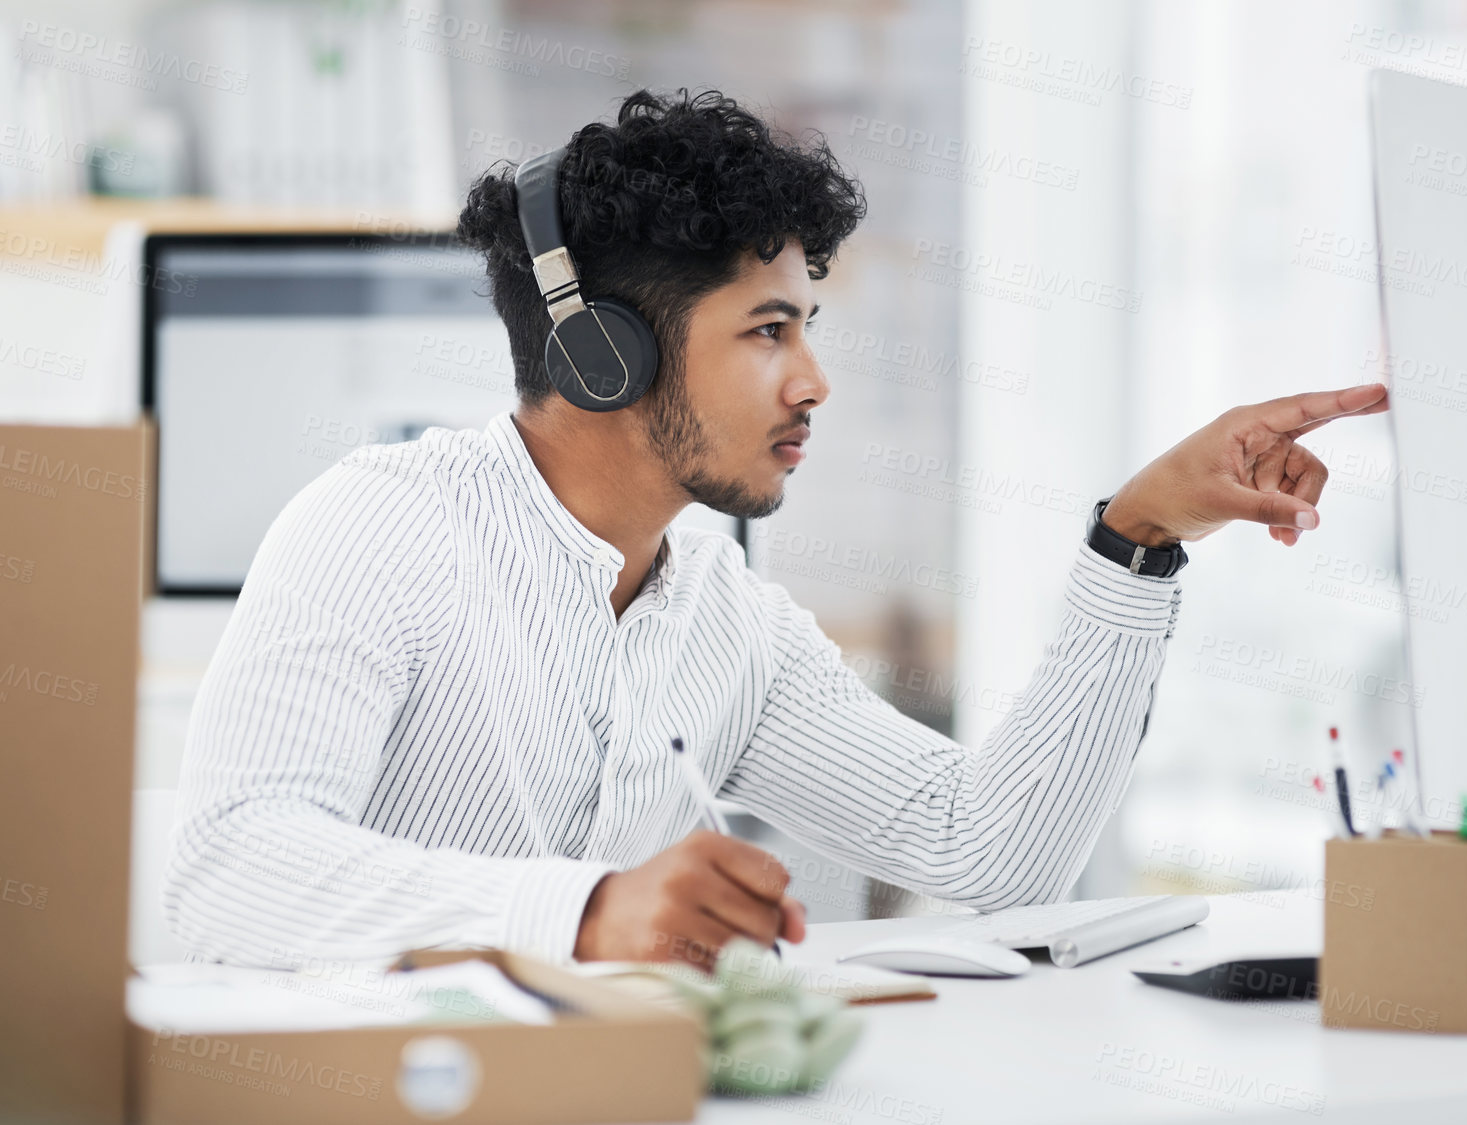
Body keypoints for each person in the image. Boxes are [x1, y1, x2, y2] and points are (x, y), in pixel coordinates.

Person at [165, 89, 1387, 971]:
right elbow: (229, 874)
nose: (813, 381)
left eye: (806, 327)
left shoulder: (720, 609)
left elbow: (990, 852)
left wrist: (1137, 538)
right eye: (767, 331)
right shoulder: (378, 532)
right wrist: (589, 912)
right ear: (604, 355)